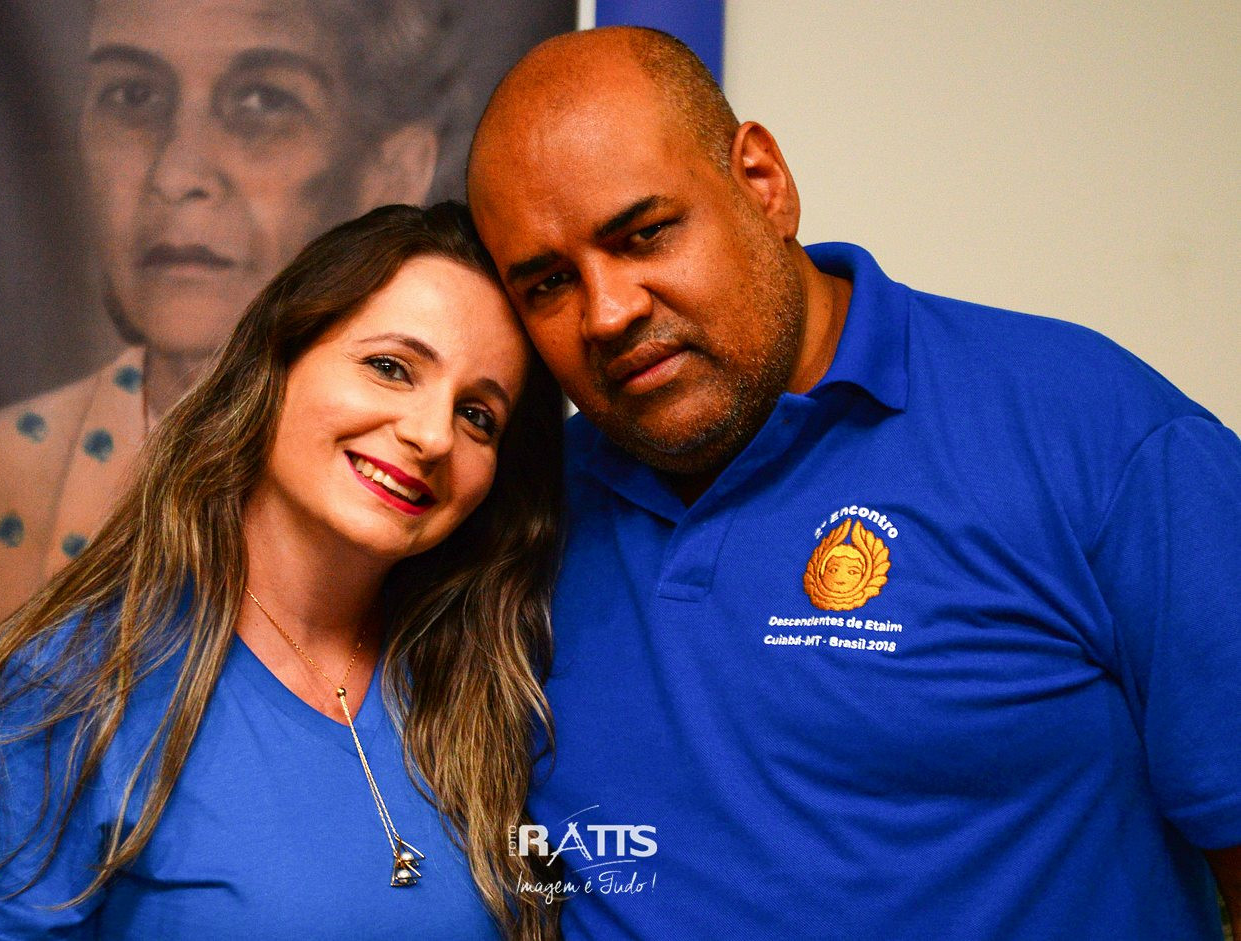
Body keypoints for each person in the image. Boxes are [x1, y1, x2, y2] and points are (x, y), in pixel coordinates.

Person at [466, 26, 1241, 940]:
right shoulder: (514, 516)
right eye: (549, 284)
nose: (607, 312)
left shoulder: (1094, 432)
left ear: (763, 182)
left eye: (644, 235)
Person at [0, 202, 564, 941]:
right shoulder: (71, 685)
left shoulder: (496, 689)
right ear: (275, 363)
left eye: (478, 415)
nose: (432, 435)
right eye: (390, 367)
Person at [0, 0, 457, 675]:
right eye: (132, 96)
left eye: (262, 102)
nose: (176, 175)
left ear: (391, 173)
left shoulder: (444, 520)